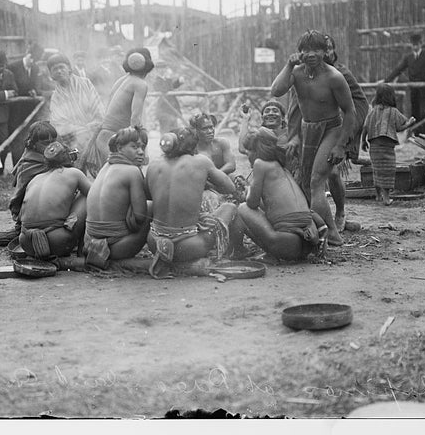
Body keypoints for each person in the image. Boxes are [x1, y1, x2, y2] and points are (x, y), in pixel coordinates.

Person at [271, 30, 356, 247]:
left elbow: (350, 112)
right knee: (306, 184)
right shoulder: (297, 73)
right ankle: (318, 228)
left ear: (325, 51)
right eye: (306, 50)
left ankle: (334, 234)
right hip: (307, 129)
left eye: (316, 49)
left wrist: (340, 146)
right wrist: (288, 65)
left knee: (316, 181)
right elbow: (276, 90)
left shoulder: (334, 77)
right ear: (299, 52)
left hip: (331, 129)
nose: (311, 54)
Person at [145, 127, 240, 278]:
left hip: (154, 242)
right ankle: (235, 253)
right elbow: (230, 187)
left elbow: (149, 195)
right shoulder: (201, 161)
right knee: (230, 207)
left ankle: (165, 254)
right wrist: (204, 180)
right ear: (194, 145)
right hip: (188, 246)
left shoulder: (154, 164)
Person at [237, 127, 325, 261]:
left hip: (286, 245)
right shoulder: (282, 168)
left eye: (248, 151)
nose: (247, 155)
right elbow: (270, 207)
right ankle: (273, 253)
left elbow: (252, 204)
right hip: (305, 246)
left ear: (256, 150)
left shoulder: (260, 164)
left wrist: (247, 191)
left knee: (242, 208)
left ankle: (268, 254)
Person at [84, 126, 151, 269]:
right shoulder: (132, 171)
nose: (140, 152)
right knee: (150, 207)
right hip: (115, 248)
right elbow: (140, 216)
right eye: (134, 147)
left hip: (89, 244)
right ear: (119, 148)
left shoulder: (105, 168)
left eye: (142, 147)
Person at [322, 34, 370, 231]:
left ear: (334, 50)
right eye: (321, 48)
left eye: (329, 48)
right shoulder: (309, 73)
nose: (325, 52)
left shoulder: (341, 73)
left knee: (332, 172)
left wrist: (347, 133)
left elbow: (360, 102)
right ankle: (318, 218)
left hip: (340, 125)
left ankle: (340, 212)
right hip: (317, 126)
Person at [19, 142, 92, 260]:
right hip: (57, 241)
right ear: (69, 157)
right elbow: (95, 195)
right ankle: (82, 252)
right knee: (85, 196)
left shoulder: (36, 178)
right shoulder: (74, 173)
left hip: (26, 242)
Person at [91, 48, 153, 169]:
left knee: (110, 177)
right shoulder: (140, 84)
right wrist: (142, 150)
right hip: (116, 140)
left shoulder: (121, 80)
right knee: (129, 173)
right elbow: (135, 120)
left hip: (104, 137)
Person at [47, 52, 105, 174]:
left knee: (101, 173)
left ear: (69, 68)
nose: (59, 71)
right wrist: (80, 130)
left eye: (61, 67)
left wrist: (94, 124)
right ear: (51, 75)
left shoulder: (85, 83)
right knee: (79, 174)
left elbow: (98, 107)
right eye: (55, 69)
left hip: (94, 133)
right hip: (73, 140)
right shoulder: (56, 97)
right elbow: (59, 123)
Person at [360, 84, 416, 205]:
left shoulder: (373, 111)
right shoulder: (393, 111)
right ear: (392, 97)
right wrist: (409, 124)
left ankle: (378, 195)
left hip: (374, 146)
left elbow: (365, 126)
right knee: (388, 171)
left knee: (377, 170)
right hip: (387, 147)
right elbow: (399, 128)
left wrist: (363, 141)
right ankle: (386, 198)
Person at [381, 33, 425, 135]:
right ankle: (417, 134)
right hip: (414, 89)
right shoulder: (409, 57)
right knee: (415, 112)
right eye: (413, 45)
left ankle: (424, 134)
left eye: (417, 45)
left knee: (424, 112)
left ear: (421, 44)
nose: (415, 47)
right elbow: (398, 69)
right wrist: (387, 80)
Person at [9, 120, 57, 231]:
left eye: (53, 141)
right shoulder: (28, 165)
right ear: (33, 144)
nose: (51, 146)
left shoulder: (53, 156)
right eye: (45, 143)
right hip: (32, 211)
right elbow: (19, 194)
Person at [8, 42, 45, 166]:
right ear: (27, 54)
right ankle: (16, 165)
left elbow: (37, 85)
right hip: (15, 110)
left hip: (30, 110)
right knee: (17, 138)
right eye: (32, 59)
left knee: (29, 137)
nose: (33, 62)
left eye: (35, 60)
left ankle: (27, 164)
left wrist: (35, 91)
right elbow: (12, 87)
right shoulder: (13, 67)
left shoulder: (35, 68)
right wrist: (26, 91)